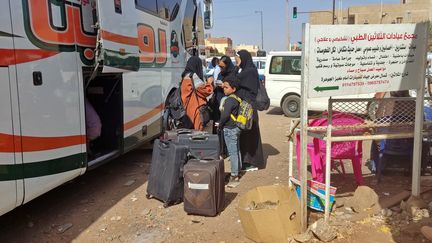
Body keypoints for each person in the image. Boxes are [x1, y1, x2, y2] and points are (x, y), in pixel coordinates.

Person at [235, 50, 265, 170]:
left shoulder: (249, 72)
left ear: (243, 58)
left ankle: (252, 162)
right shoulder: (248, 70)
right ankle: (248, 160)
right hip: (246, 107)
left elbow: (233, 80)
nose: (236, 59)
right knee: (246, 133)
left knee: (250, 134)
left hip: (249, 108)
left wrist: (236, 68)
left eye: (237, 57)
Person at [218, 74, 242, 187]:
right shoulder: (237, 98)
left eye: (226, 87)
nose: (224, 88)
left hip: (229, 129)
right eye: (224, 86)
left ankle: (234, 175)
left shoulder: (229, 100)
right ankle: (238, 170)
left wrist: (220, 125)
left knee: (232, 153)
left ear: (233, 89)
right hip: (236, 128)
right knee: (236, 151)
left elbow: (225, 115)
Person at [181, 56, 213, 130]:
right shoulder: (193, 77)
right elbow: (206, 91)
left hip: (187, 110)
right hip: (196, 110)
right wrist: (210, 83)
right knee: (197, 136)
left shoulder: (185, 76)